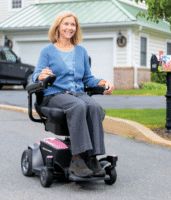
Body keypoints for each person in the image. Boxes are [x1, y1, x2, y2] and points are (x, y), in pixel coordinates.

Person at [32, 11, 114, 178]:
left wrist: (103, 82)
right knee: (79, 106)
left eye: (73, 25)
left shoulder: (81, 52)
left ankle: (91, 157)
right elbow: (35, 75)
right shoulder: (48, 51)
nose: (70, 27)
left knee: (95, 107)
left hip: (77, 93)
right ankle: (77, 159)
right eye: (66, 24)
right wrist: (40, 76)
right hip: (55, 94)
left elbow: (88, 79)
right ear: (58, 27)